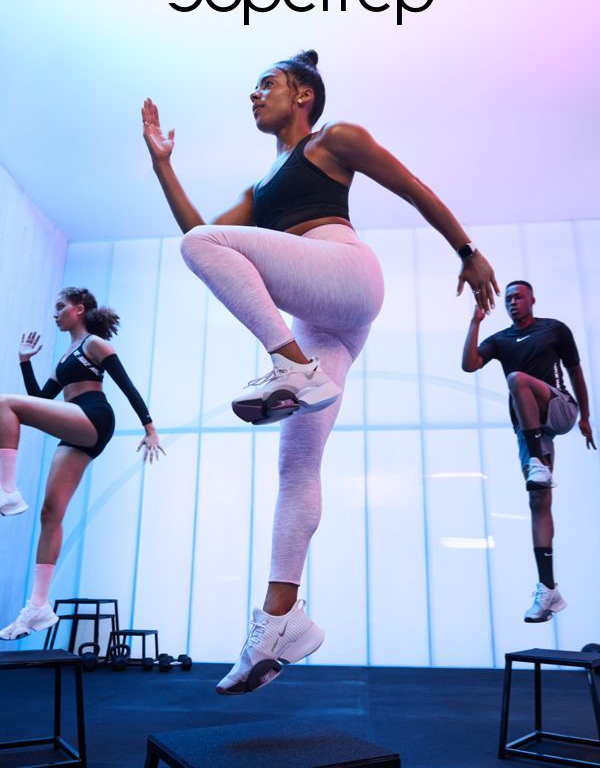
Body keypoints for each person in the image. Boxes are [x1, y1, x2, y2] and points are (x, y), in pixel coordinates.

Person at [141, 49, 499, 694]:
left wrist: (468, 251)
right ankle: (282, 622)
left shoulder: (337, 139)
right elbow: (198, 230)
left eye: (266, 85)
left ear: (303, 94)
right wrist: (163, 165)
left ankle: (292, 369)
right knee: (297, 461)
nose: (254, 96)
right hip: (324, 319)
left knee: (204, 249)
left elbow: (414, 188)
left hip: (346, 273)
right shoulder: (261, 187)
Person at [0, 287, 164, 640]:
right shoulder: (66, 358)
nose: (54, 313)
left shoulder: (94, 344)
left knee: (3, 403)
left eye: (59, 307)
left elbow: (126, 384)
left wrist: (149, 427)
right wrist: (25, 362)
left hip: (93, 416)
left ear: (78, 309)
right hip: (75, 425)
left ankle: (8, 490)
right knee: (50, 513)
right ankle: (39, 607)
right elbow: (40, 400)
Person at [462, 279, 596, 622]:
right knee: (538, 499)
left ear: (532, 299)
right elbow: (470, 364)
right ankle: (547, 588)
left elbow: (576, 371)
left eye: (518, 296)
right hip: (528, 425)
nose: (512, 302)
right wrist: (475, 323)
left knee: (516, 379)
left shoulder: (553, 329)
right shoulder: (502, 340)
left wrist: (586, 417)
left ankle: (537, 459)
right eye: (508, 299)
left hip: (559, 407)